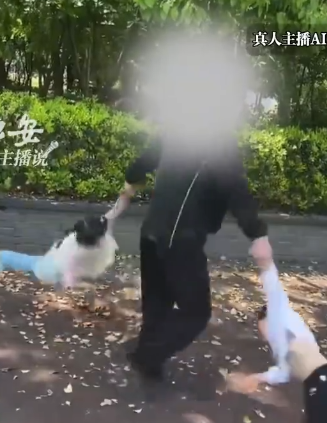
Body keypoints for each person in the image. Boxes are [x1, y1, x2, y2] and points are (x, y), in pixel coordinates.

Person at [106, 136, 272, 381]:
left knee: (157, 302)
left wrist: (132, 179)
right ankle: (148, 356)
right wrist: (258, 234)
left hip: (151, 232)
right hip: (180, 240)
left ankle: (148, 360)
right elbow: (237, 191)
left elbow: (144, 161)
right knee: (196, 312)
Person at [226, 263, 327, 423]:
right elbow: (284, 372)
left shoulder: (288, 332)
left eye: (263, 329)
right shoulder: (297, 338)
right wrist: (257, 378)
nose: (265, 336)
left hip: (322, 383)